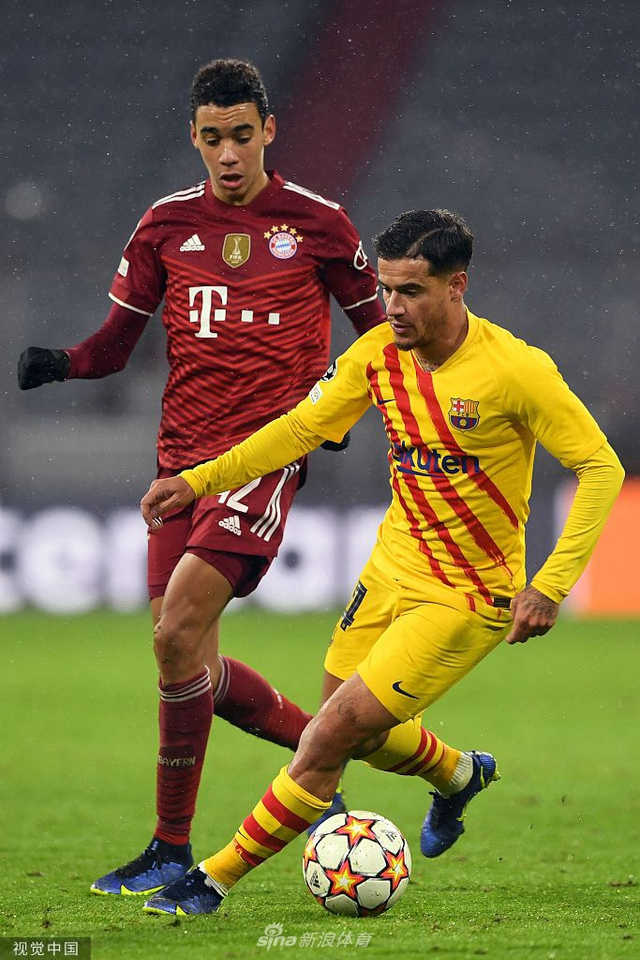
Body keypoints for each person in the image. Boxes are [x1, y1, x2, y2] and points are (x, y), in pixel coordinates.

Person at [134, 208, 624, 916]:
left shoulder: (516, 370)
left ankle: (211, 879)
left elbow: (601, 468)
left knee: (329, 734)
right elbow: (301, 428)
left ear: (457, 286)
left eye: (411, 291)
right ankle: (458, 774)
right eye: (386, 289)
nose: (393, 307)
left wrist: (549, 586)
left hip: (466, 595)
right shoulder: (376, 355)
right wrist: (198, 480)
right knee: (351, 732)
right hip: (390, 570)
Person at [17, 59, 385, 896]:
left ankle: (171, 844)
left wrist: (336, 412)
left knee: (177, 630)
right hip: (180, 466)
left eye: (242, 135)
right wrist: (62, 363)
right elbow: (116, 346)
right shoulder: (164, 225)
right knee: (186, 664)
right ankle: (316, 760)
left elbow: (381, 336)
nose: (228, 153)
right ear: (194, 135)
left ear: (268, 131)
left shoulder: (320, 224)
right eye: (213, 137)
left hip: (265, 457)